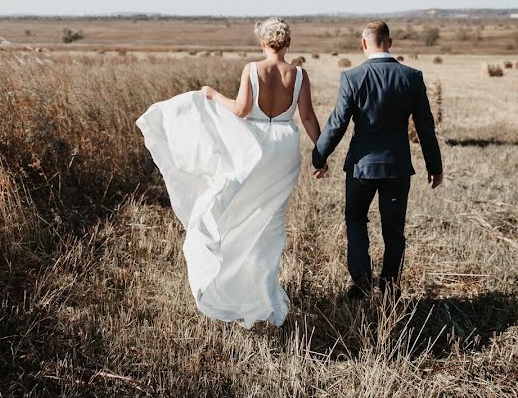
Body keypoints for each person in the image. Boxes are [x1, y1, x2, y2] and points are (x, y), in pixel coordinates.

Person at [136, 17, 323, 327]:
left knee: (240, 216)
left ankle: (235, 287)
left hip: (255, 150)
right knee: (271, 225)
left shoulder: (252, 69)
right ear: (288, 43)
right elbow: (307, 116)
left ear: (263, 43)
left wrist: (211, 94)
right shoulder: (300, 75)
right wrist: (321, 152)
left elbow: (240, 110)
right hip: (285, 152)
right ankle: (265, 294)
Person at [312, 21, 443, 301]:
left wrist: (319, 155)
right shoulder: (412, 76)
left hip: (361, 167)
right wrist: (435, 166)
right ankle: (390, 287)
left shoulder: (353, 77)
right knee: (394, 229)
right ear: (390, 42)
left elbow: (337, 123)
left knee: (356, 219)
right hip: (397, 168)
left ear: (363, 44)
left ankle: (360, 282)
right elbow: (425, 127)